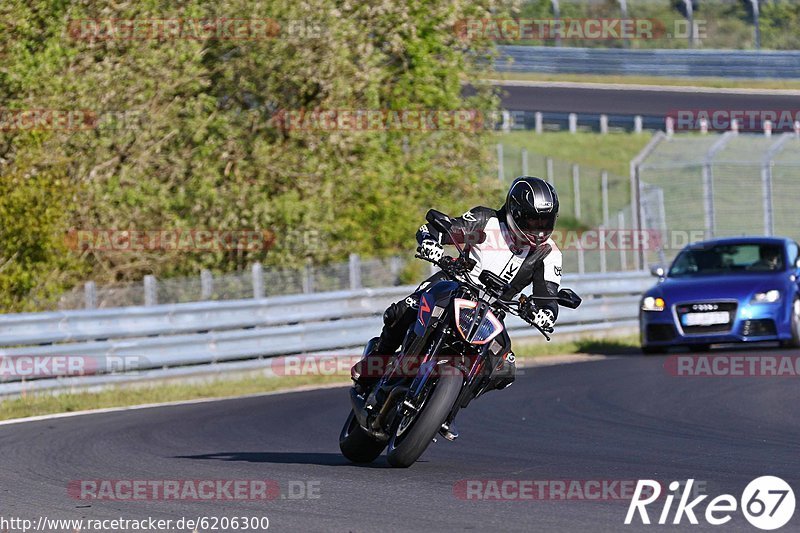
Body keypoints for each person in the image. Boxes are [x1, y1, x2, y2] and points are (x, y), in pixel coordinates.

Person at [352, 176, 564, 437]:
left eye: (545, 221)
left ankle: (447, 408)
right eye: (532, 221)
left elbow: (548, 295)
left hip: (490, 311)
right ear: (515, 212)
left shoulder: (549, 252)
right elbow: (443, 229)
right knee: (402, 311)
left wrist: (545, 313)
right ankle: (372, 369)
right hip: (454, 285)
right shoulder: (486, 220)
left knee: (504, 368)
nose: (538, 228)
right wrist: (430, 241)